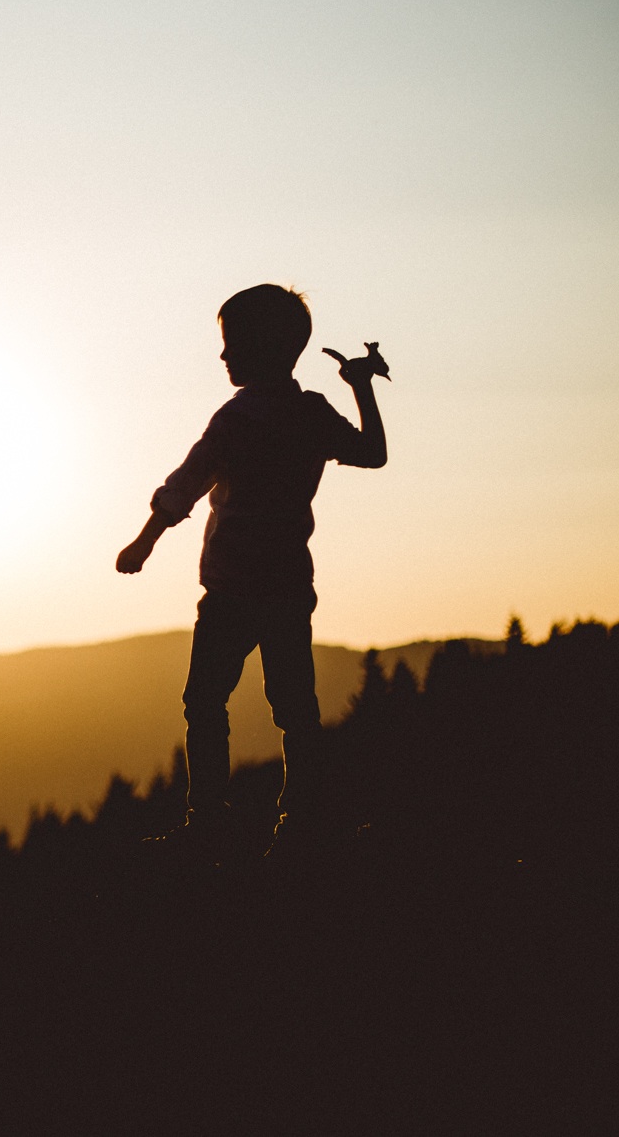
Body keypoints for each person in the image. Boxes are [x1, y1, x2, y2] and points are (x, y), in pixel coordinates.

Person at [116, 284, 388, 855]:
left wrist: (142, 544)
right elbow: (372, 452)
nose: (223, 356)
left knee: (205, 702)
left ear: (261, 348)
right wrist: (361, 387)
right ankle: (300, 818)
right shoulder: (309, 413)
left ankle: (208, 818)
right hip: (289, 586)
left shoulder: (236, 420)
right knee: (296, 706)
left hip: (230, 591)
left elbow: (184, 485)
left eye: (231, 344)